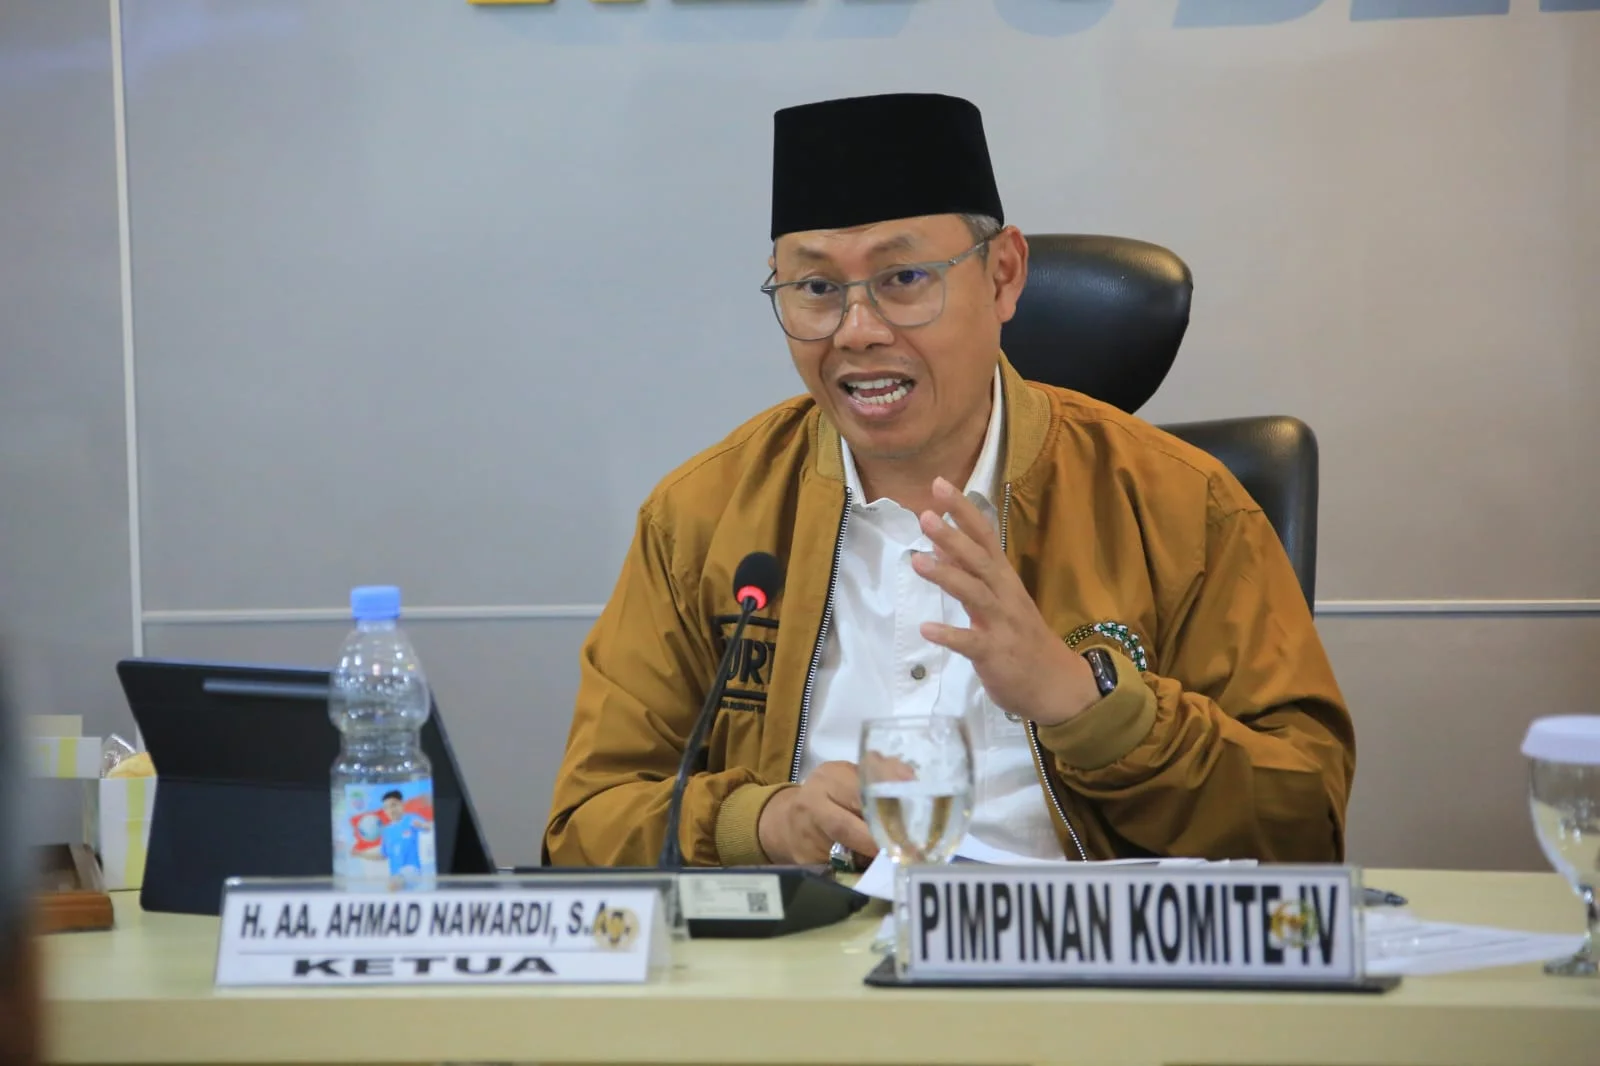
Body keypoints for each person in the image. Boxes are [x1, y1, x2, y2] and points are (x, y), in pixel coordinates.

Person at [543, 92, 1354, 870]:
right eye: (818, 289)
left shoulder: (1181, 506)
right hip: (810, 956)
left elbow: (1301, 822)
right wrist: (761, 824)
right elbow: (586, 824)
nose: (857, 332)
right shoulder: (703, 518)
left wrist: (1089, 705)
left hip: (1073, 953)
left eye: (904, 280)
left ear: (1003, 275)